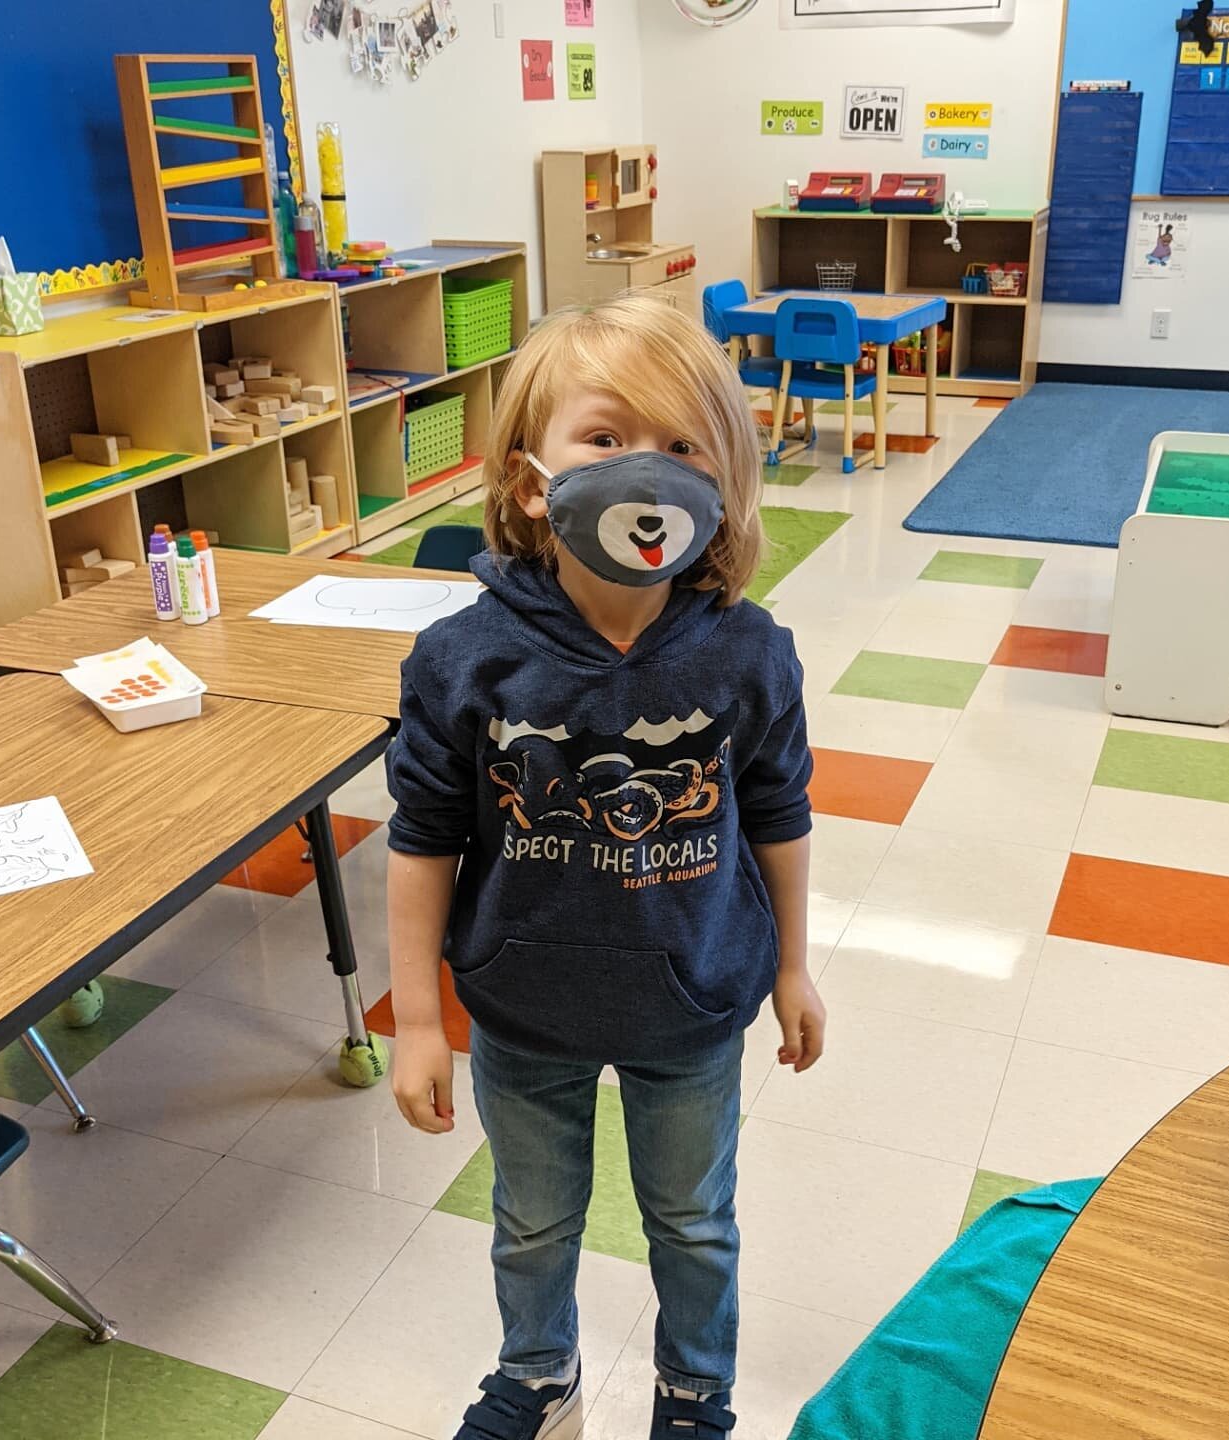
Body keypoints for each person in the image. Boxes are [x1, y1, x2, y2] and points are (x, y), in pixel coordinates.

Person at [386, 292, 826, 1440]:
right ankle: (537, 1376)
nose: (648, 470)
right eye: (607, 436)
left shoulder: (746, 651)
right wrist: (420, 1020)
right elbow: (424, 837)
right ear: (533, 478)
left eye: (683, 445)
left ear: (724, 479)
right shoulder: (463, 657)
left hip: (693, 1007)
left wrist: (797, 966)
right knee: (531, 1224)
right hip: (521, 1012)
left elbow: (779, 813)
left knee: (694, 1223)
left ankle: (695, 1392)